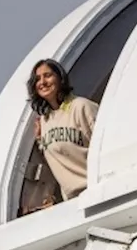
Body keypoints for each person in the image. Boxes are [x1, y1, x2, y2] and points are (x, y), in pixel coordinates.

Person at [28, 58, 98, 205]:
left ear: (60, 79)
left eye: (48, 75)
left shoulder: (82, 107)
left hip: (96, 192)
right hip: (73, 202)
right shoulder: (44, 120)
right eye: (37, 79)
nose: (43, 82)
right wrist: (40, 141)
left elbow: (104, 146)